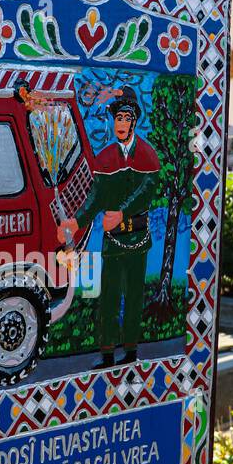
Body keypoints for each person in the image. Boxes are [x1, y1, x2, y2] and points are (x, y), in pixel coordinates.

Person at [58, 88, 160, 368]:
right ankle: (106, 354)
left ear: (134, 122)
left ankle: (130, 351)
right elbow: (95, 197)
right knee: (110, 297)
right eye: (118, 118)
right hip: (113, 241)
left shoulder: (147, 155)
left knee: (135, 297)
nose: (121, 124)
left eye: (126, 118)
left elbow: (147, 190)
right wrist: (76, 222)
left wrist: (122, 212)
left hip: (138, 238)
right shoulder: (105, 158)